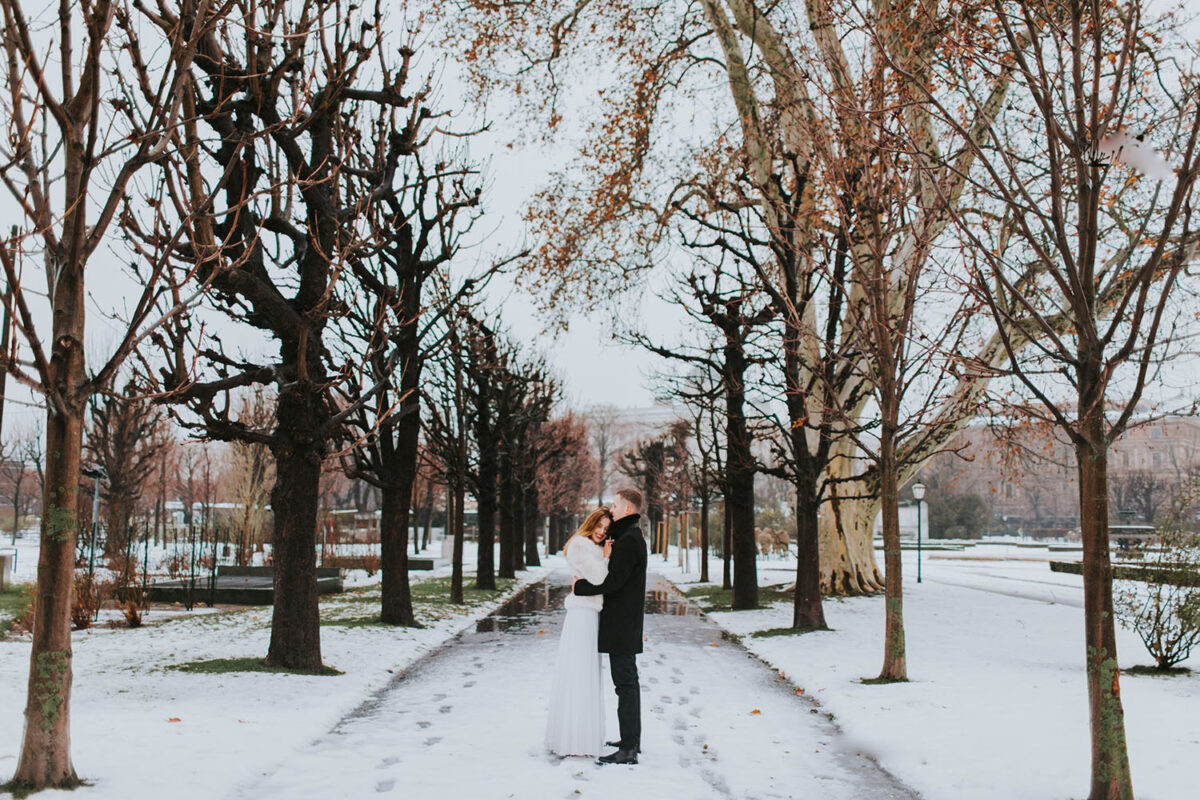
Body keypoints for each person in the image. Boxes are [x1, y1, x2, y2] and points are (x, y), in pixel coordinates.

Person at [573, 488, 647, 766]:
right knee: (628, 683)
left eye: (616, 505)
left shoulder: (629, 539)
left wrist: (581, 587)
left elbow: (613, 582)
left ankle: (628, 749)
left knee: (625, 684)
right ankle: (632, 741)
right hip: (623, 622)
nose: (611, 508)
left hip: (622, 623)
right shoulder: (629, 535)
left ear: (628, 509)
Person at [545, 507, 614, 757]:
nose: (601, 531)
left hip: (591, 613)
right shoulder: (579, 545)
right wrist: (606, 558)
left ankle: (582, 736)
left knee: (587, 672)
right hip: (582, 614)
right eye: (599, 525)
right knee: (579, 672)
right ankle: (572, 739)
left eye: (606, 529)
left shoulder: (593, 547)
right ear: (591, 522)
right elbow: (600, 578)